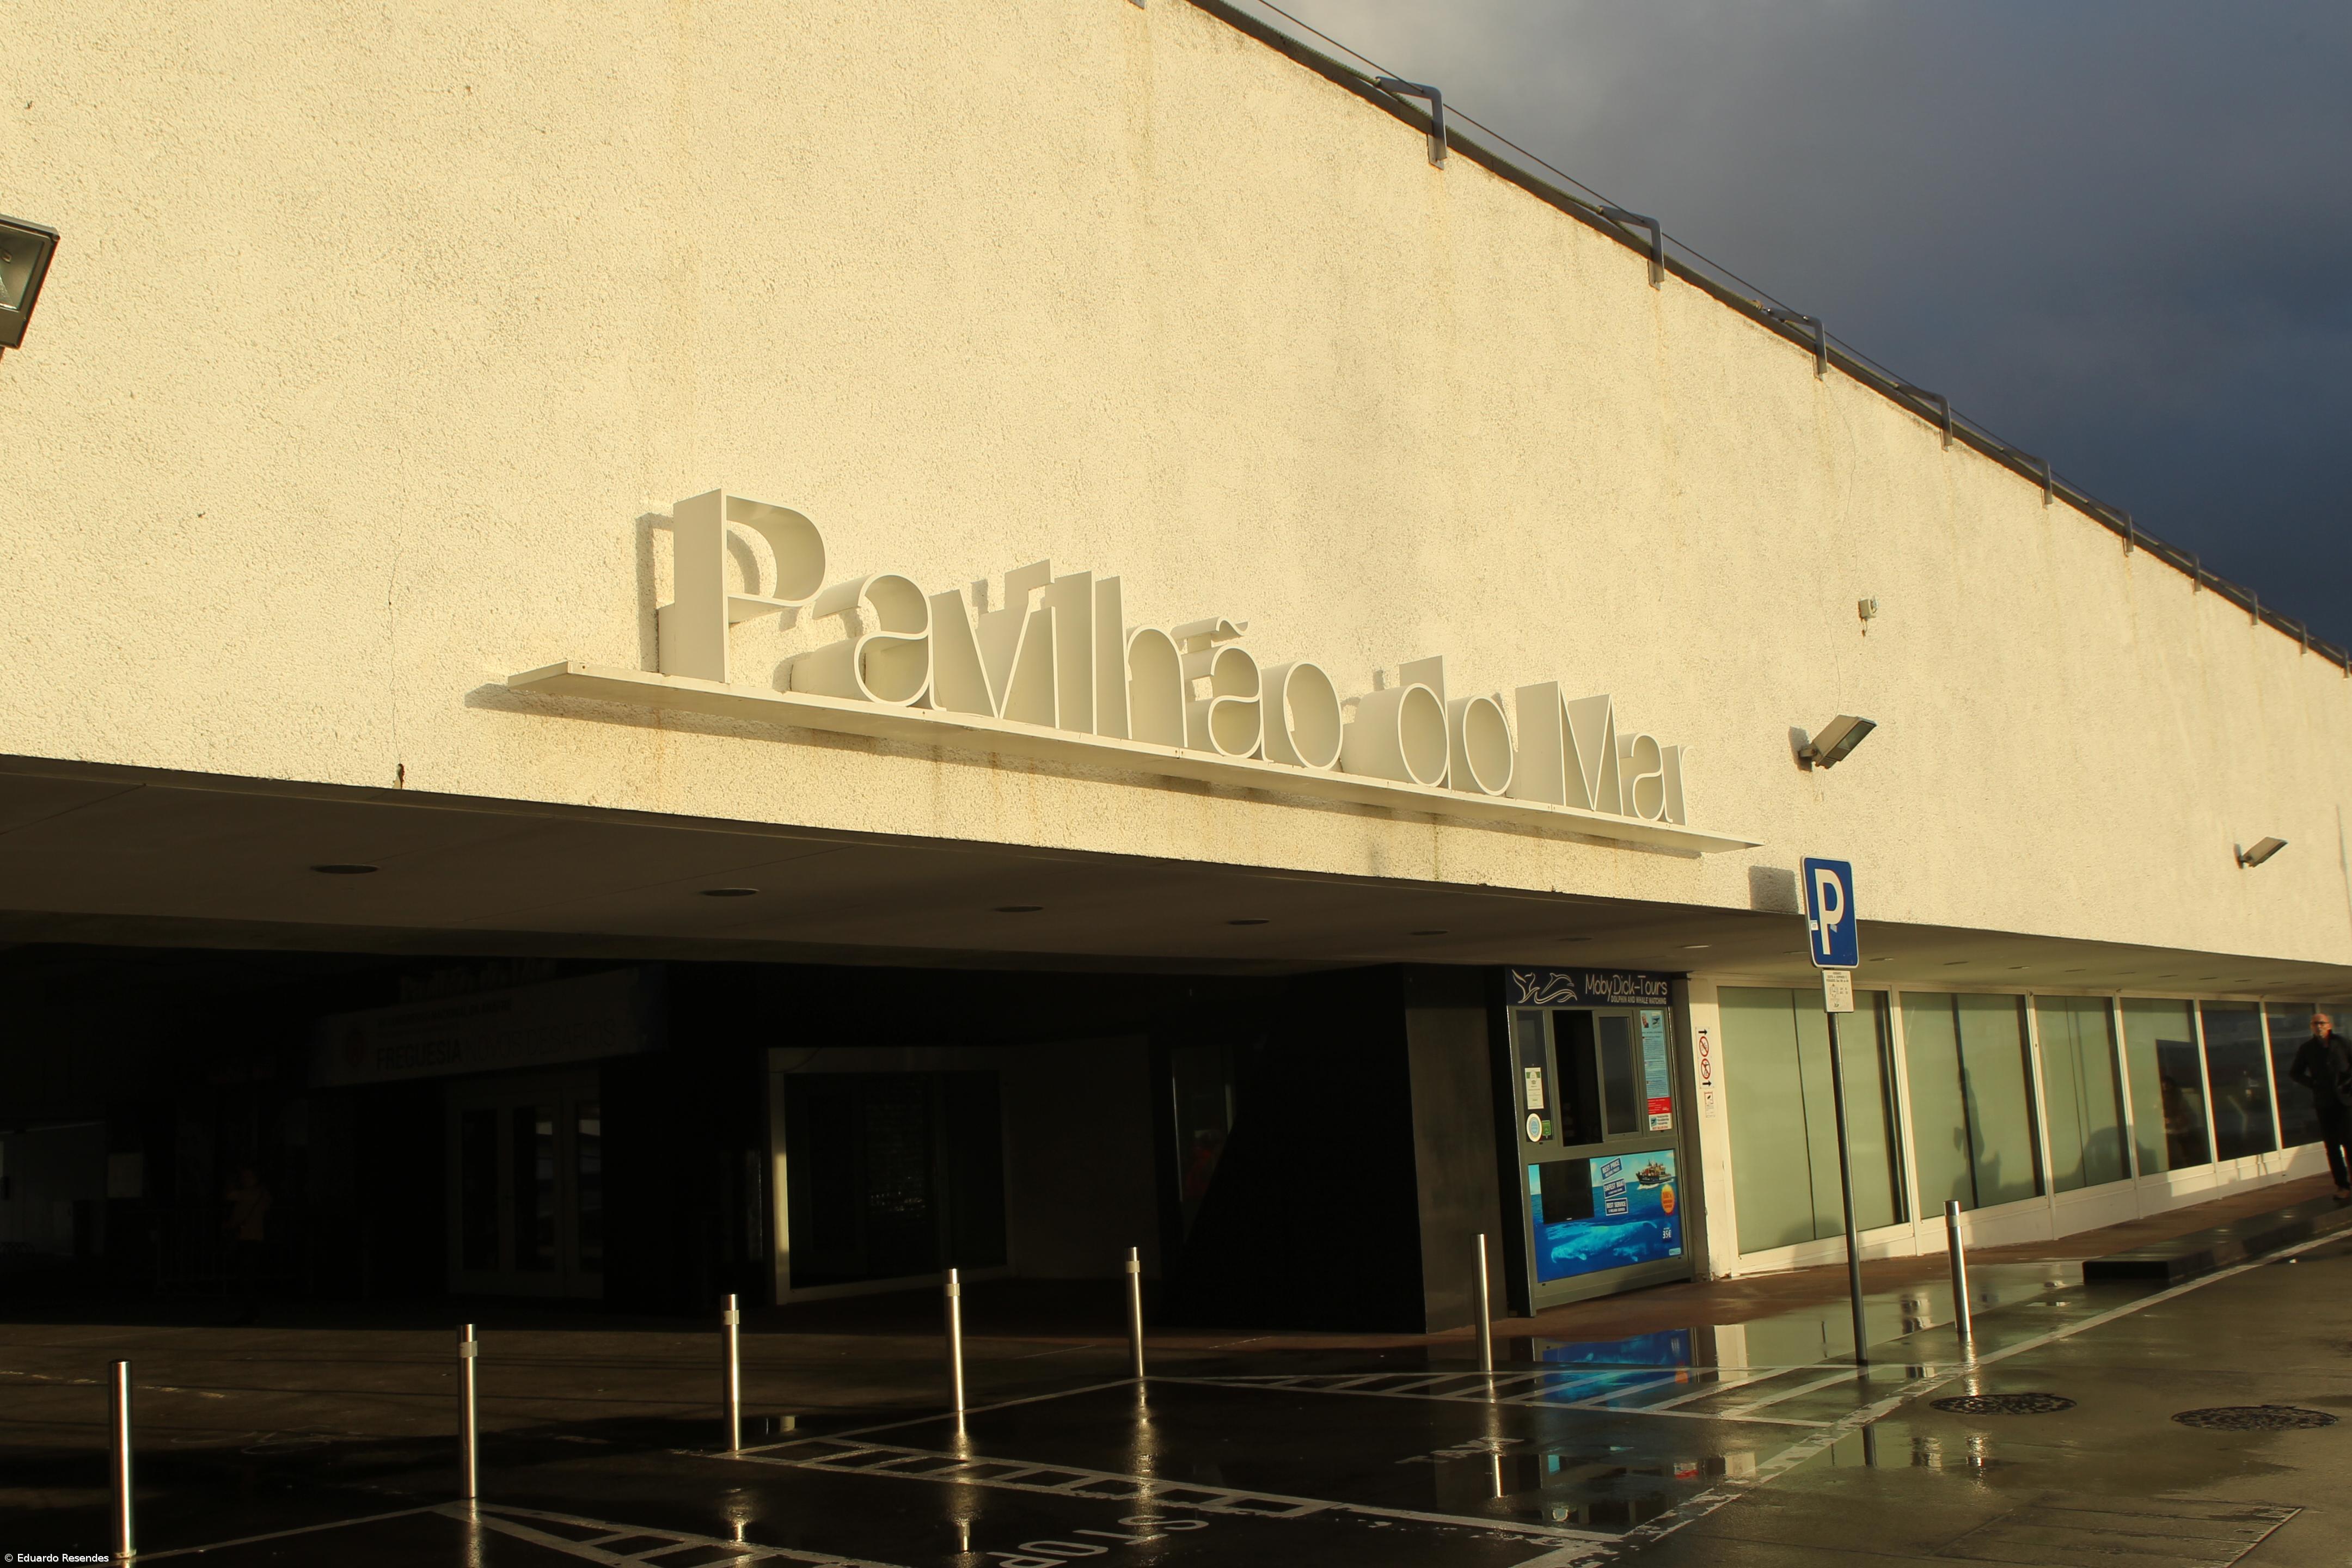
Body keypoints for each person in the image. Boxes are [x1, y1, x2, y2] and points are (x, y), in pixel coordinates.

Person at [2287, 1013, 2352, 1201]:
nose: (2319, 1027)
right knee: (2332, 1146)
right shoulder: (2307, 1049)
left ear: (2329, 1025)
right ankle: (2342, 1185)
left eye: (2322, 1023)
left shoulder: (2342, 1043)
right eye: (2315, 1024)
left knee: (2350, 1142)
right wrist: (2314, 1084)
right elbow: (2295, 1073)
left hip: (2346, 1100)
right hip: (2324, 1102)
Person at [222, 1167, 273, 1322]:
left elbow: (229, 1196)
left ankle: (250, 1311)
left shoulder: (251, 1194)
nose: (245, 1179)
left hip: (248, 1238)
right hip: (253, 1237)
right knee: (247, 1276)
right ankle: (251, 1310)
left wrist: (230, 1183)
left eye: (248, 1176)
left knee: (246, 1276)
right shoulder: (263, 1194)